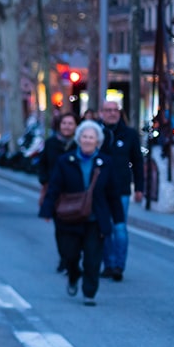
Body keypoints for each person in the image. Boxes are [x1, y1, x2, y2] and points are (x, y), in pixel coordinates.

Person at [39, 120, 124, 305]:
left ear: (97, 142)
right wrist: (46, 210)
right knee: (70, 254)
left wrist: (118, 219)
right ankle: (73, 274)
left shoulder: (105, 163)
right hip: (70, 217)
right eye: (84, 137)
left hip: (95, 218)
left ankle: (89, 293)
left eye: (91, 137)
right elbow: (54, 187)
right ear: (79, 139)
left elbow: (113, 192)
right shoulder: (65, 161)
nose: (87, 140)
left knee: (93, 258)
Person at [98, 100, 143, 281]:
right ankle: (107, 264)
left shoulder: (129, 134)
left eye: (114, 110)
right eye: (107, 110)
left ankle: (118, 265)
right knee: (104, 227)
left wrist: (139, 188)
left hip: (121, 189)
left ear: (119, 112)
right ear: (102, 113)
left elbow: (138, 162)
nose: (111, 113)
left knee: (120, 227)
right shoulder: (96, 133)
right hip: (100, 190)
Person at [37, 112, 78, 273]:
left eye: (70, 123)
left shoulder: (80, 145)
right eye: (64, 123)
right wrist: (44, 180)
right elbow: (42, 164)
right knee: (60, 227)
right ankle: (64, 257)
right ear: (59, 126)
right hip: (55, 192)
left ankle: (73, 257)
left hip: (75, 193)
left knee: (74, 228)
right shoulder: (51, 143)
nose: (67, 127)